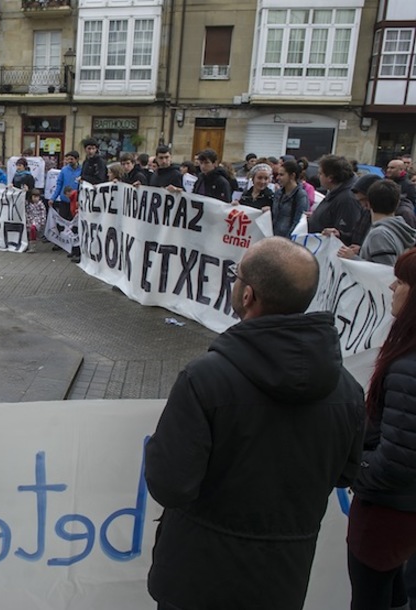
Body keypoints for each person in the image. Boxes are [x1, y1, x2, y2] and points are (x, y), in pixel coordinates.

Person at [145, 236, 365, 610]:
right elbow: (346, 474)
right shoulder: (348, 389)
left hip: (196, 576)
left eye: (237, 276)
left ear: (248, 296)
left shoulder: (205, 379)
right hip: (282, 579)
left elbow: (171, 485)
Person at [347, 249, 416, 610]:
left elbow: (399, 459)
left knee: (371, 596)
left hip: (386, 512)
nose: (392, 287)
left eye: (402, 281)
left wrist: (355, 471)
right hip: (399, 511)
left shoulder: (407, 367)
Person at [339, 180, 416, 266]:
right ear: (397, 202)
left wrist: (353, 258)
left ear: (368, 204)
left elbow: (384, 271)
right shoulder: (398, 228)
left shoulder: (379, 234)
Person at [308, 155, 362, 246]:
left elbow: (345, 231)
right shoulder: (336, 191)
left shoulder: (347, 199)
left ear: (330, 178)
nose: (318, 176)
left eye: (320, 174)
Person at [270, 159, 309, 237]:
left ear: (292, 176)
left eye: (281, 175)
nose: (277, 178)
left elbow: (298, 223)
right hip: (273, 238)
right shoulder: (278, 193)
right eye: (278, 174)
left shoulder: (300, 195)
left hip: (288, 242)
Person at [50, 151, 81, 218]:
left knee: (74, 225)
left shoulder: (82, 170)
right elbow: (59, 184)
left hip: (76, 202)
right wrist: (53, 198)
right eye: (68, 159)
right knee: (62, 224)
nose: (69, 161)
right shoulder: (64, 170)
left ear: (77, 159)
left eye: (71, 159)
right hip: (64, 200)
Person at [25, 188, 46, 253]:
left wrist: (42, 221)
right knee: (28, 233)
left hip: (37, 221)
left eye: (37, 197)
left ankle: (33, 246)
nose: (36, 198)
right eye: (34, 197)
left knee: (32, 230)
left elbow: (43, 213)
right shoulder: (28, 203)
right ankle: (26, 245)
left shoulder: (40, 204)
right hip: (29, 220)